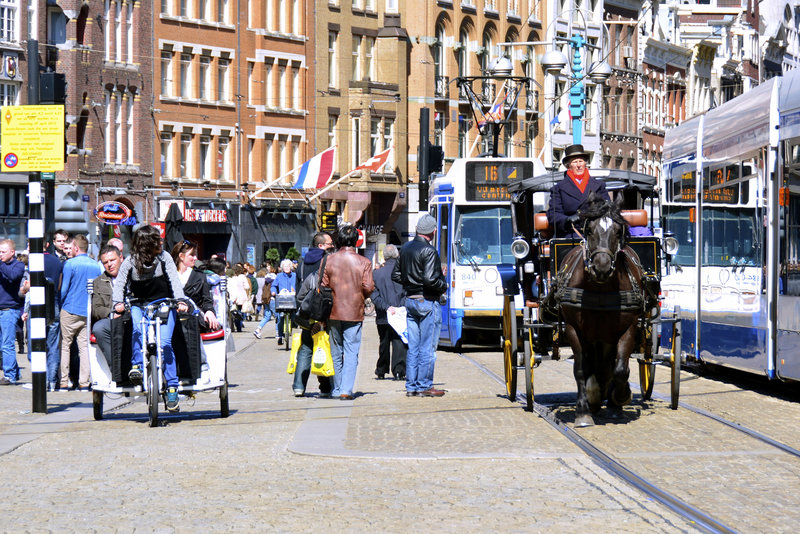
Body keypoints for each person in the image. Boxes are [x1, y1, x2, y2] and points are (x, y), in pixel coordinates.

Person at [112, 225, 187, 412]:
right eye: (157, 240)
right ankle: (136, 365)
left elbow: (174, 281)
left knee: (165, 343)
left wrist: (180, 300)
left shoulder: (165, 258)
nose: (161, 243)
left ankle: (172, 387)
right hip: (139, 304)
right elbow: (120, 283)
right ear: (147, 244)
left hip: (163, 303)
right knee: (137, 328)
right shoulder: (130, 261)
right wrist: (117, 303)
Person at [392, 213, 447, 397]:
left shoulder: (406, 248)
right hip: (426, 300)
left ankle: (411, 385)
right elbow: (430, 279)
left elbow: (396, 275)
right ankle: (424, 385)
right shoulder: (429, 251)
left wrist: (410, 282)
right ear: (433, 231)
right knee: (427, 346)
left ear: (417, 230)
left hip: (410, 300)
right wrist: (444, 284)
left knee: (413, 346)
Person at [321, 225, 374, 400]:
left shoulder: (328, 260)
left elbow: (323, 285)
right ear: (355, 241)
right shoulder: (364, 262)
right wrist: (360, 296)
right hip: (354, 310)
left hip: (333, 310)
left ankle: (337, 389)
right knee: (351, 351)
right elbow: (368, 287)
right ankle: (346, 389)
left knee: (336, 352)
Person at [290, 231, 334, 397]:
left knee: (306, 348)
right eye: (329, 243)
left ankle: (299, 386)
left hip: (307, 311)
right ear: (321, 246)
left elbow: (298, 290)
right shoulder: (327, 261)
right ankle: (325, 386)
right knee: (324, 347)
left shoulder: (301, 263)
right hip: (323, 312)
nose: (332, 246)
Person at [58, 235, 102, 391]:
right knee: (84, 347)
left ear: (76, 247)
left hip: (70, 308)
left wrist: (60, 304)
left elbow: (64, 289)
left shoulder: (70, 264)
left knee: (65, 346)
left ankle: (64, 381)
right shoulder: (95, 266)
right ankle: (84, 382)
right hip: (87, 310)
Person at [547, 144, 610, 239]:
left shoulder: (599, 185)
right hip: (571, 233)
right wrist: (568, 220)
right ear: (568, 166)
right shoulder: (558, 189)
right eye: (575, 162)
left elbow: (607, 208)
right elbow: (553, 215)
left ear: (585, 164)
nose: (579, 165)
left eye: (581, 161)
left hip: (596, 233)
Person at [371, 244, 406, 381]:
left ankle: (381, 369)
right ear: (397, 255)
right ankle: (399, 371)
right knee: (399, 341)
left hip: (383, 314)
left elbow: (374, 295)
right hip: (400, 313)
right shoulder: (404, 272)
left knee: (384, 342)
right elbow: (407, 292)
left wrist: (386, 307)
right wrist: (400, 307)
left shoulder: (377, 273)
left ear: (384, 256)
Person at [171, 240, 220, 331]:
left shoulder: (200, 276)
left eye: (195, 255)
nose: (196, 258)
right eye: (192, 255)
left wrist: (209, 311)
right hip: (172, 319)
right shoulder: (169, 276)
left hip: (193, 320)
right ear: (181, 256)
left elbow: (207, 300)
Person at [90, 245, 122, 369]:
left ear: (121, 258)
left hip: (131, 317)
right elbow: (96, 307)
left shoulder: (132, 277)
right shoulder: (98, 282)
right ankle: (117, 369)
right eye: (105, 262)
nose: (109, 264)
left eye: (112, 260)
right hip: (110, 320)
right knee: (98, 328)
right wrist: (111, 313)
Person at [0, 240, 25, 385]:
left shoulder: (18, 265)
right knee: (2, 344)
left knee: (7, 344)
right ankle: (16, 372)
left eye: (3, 252)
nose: (0, 254)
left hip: (9, 310)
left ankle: (9, 375)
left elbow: (13, 277)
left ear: (12, 252)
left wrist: (1, 264)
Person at [271, 259, 297, 345]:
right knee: (280, 317)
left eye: (288, 266)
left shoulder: (295, 275)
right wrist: (273, 292)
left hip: (292, 299)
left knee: (295, 317)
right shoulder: (279, 276)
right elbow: (274, 286)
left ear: (291, 267)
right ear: (282, 267)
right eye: (285, 266)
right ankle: (280, 335)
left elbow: (299, 285)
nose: (287, 268)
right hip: (282, 299)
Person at [252, 265, 276, 339]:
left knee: (267, 316)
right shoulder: (275, 278)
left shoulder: (265, 279)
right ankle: (279, 333)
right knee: (278, 316)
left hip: (266, 299)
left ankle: (258, 329)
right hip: (272, 299)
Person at [227, 264, 249, 332]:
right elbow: (247, 287)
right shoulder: (242, 277)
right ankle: (240, 326)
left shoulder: (231, 278)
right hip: (242, 296)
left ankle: (237, 325)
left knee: (235, 312)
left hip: (234, 296)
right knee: (241, 311)